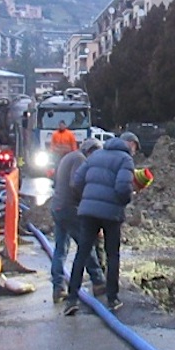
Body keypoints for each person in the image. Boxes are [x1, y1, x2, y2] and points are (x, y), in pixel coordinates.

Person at [63, 131, 139, 315]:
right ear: (130, 144)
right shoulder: (125, 160)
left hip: (88, 212)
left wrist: (87, 199)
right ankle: (112, 299)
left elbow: (76, 182)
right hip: (111, 213)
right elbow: (122, 188)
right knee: (112, 255)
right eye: (135, 147)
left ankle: (72, 298)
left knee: (82, 254)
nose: (135, 152)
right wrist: (127, 198)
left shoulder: (95, 155)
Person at [50, 138, 106, 303]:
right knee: (85, 245)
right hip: (69, 209)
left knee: (60, 249)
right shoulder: (80, 159)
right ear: (90, 151)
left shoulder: (69, 157)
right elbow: (76, 184)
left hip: (57, 207)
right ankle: (98, 281)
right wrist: (87, 200)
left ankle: (58, 287)